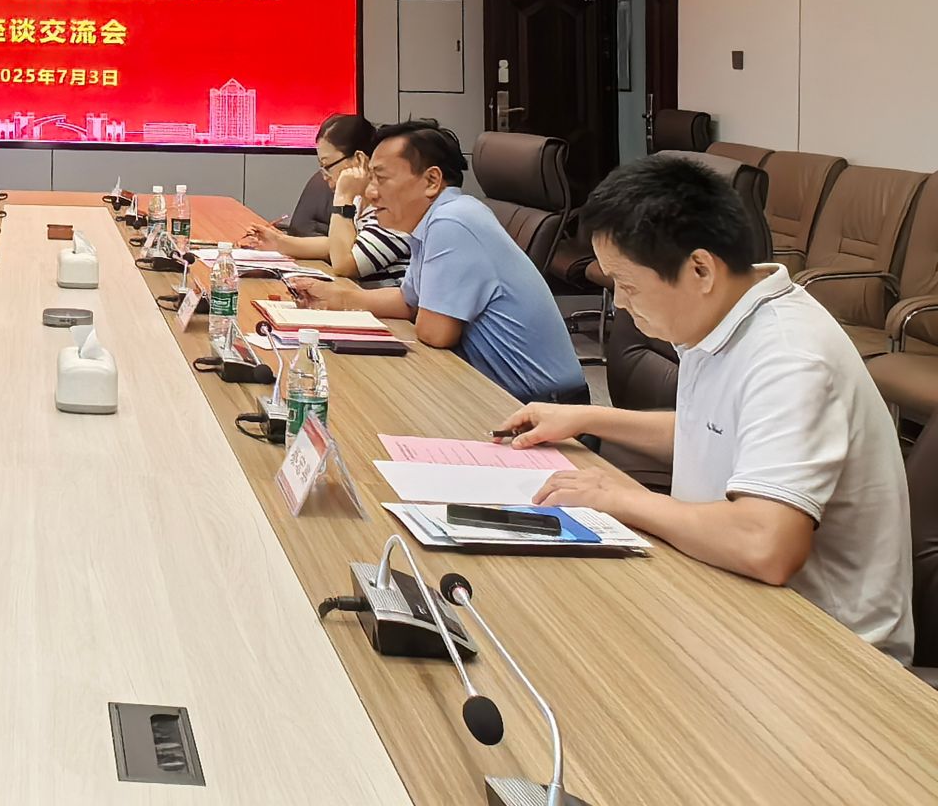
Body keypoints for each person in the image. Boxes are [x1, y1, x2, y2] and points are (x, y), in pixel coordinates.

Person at [497, 154, 913, 662]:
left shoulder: (790, 356)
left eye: (628, 284)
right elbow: (716, 431)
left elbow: (765, 544)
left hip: (829, 651)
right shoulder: (723, 314)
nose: (620, 303)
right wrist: (586, 418)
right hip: (732, 594)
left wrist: (621, 497)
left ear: (700, 269)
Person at [295, 119, 585, 403]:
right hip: (497, 392)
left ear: (432, 181)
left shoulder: (452, 221)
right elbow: (409, 301)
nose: (370, 192)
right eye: (369, 178)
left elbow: (435, 333)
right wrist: (339, 297)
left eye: (380, 178)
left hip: (543, 405)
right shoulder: (433, 220)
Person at [241, 113, 409, 287]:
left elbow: (344, 265)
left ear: (359, 159)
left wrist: (343, 197)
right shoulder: (361, 202)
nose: (324, 176)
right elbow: (339, 245)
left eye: (327, 166)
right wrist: (279, 242)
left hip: (380, 303)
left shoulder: (391, 210)